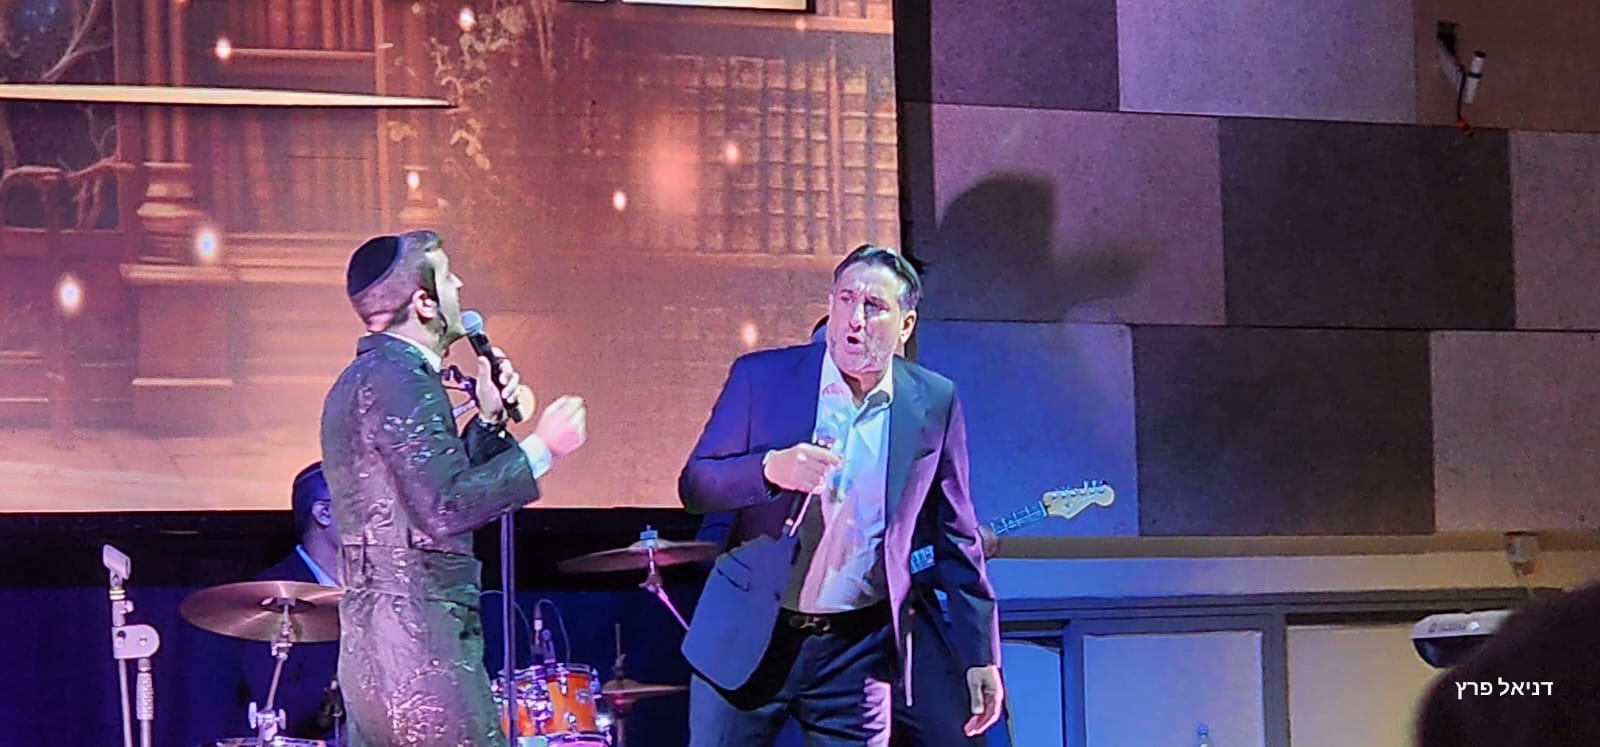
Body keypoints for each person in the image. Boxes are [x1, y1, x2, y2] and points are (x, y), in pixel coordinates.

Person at [678, 244, 1004, 746]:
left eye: (874, 307)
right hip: (751, 635)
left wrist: (981, 655)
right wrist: (769, 468)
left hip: (857, 653)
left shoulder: (933, 401)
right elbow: (696, 485)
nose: (855, 319)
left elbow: (957, 536)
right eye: (846, 299)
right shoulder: (761, 378)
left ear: (905, 325)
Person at [318, 230, 588, 747]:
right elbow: (445, 507)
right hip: (420, 643)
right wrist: (544, 449)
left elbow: (428, 490)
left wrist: (488, 419)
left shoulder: (366, 376)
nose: (459, 284)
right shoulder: (401, 379)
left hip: (381, 642)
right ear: (424, 303)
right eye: (447, 275)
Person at [232, 462, 344, 741]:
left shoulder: (383, 590)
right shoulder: (271, 596)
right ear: (324, 513)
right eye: (361, 506)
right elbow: (278, 703)